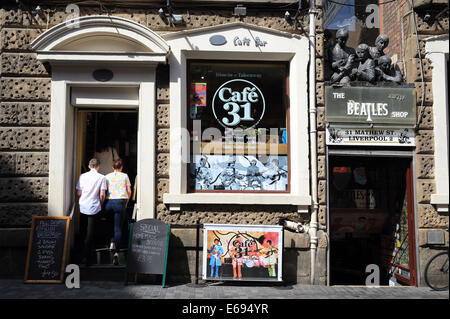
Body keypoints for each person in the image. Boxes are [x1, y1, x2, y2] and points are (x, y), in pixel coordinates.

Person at [76, 158, 107, 266]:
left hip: (83, 206)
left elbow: (79, 193)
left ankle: (80, 255)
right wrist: (101, 204)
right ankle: (87, 257)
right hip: (94, 207)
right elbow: (102, 194)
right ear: (98, 166)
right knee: (91, 232)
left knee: (83, 231)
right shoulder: (102, 177)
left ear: (89, 166)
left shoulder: (82, 176)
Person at [104, 158, 131, 265]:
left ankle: (111, 243)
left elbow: (104, 190)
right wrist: (126, 202)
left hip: (108, 202)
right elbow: (129, 191)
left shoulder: (107, 176)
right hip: (120, 202)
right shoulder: (125, 176)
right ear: (121, 167)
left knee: (110, 225)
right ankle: (117, 252)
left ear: (112, 167)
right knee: (118, 228)